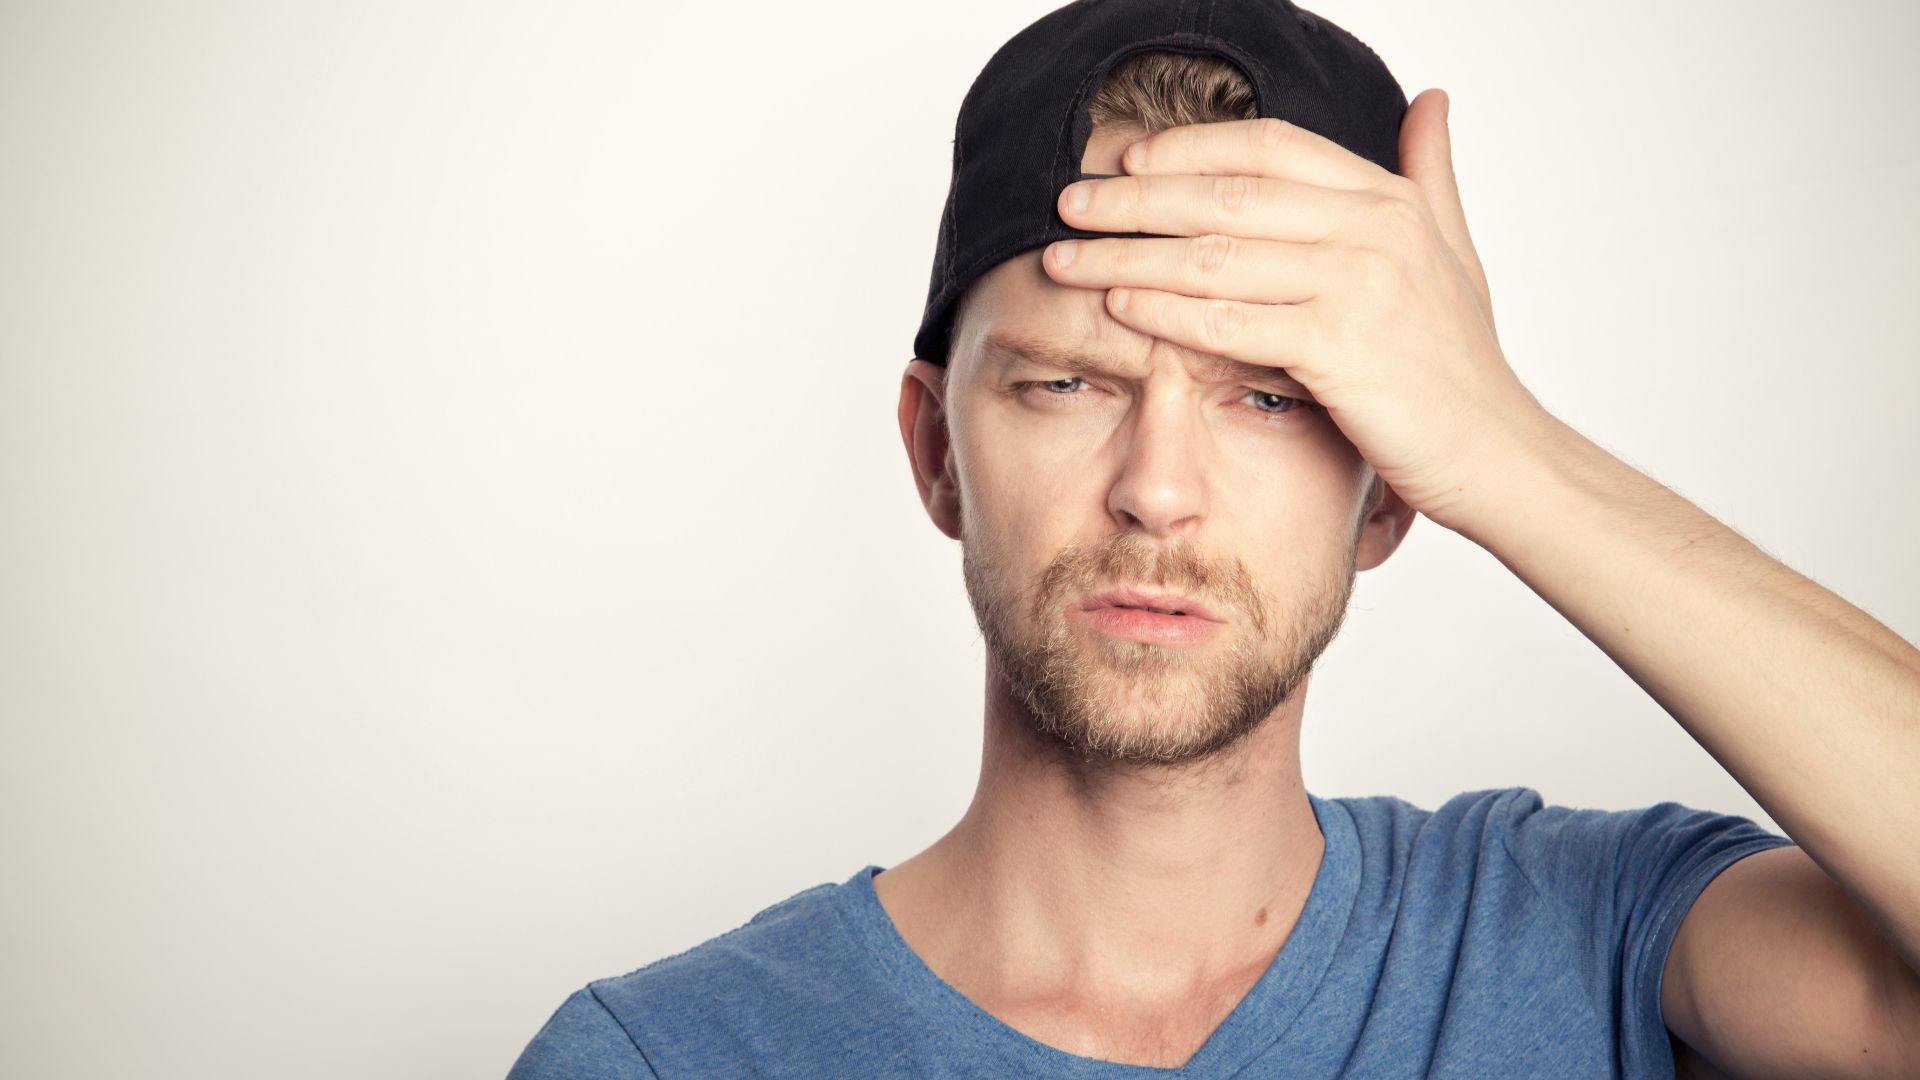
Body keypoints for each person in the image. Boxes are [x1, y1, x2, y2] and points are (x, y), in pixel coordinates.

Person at [506, 2, 1920, 1077]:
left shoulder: (1588, 934)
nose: (1158, 490)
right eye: (1067, 384)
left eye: (1270, 398)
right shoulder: (663, 1057)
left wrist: (1509, 448)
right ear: (938, 454)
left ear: (1392, 494)